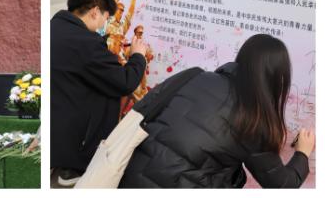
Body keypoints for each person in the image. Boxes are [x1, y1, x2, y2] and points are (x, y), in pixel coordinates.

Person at [119, 34, 315, 188]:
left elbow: (146, 109)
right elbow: (281, 185)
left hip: (128, 179)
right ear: (277, 78)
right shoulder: (254, 119)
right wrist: (302, 154)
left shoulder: (195, 76)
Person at [51, 0, 148, 188]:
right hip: (71, 137)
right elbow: (124, 81)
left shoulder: (54, 26)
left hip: (55, 122)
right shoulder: (86, 42)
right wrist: (138, 56)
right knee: (110, 91)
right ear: (95, 11)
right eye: (106, 17)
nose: (106, 23)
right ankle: (76, 166)